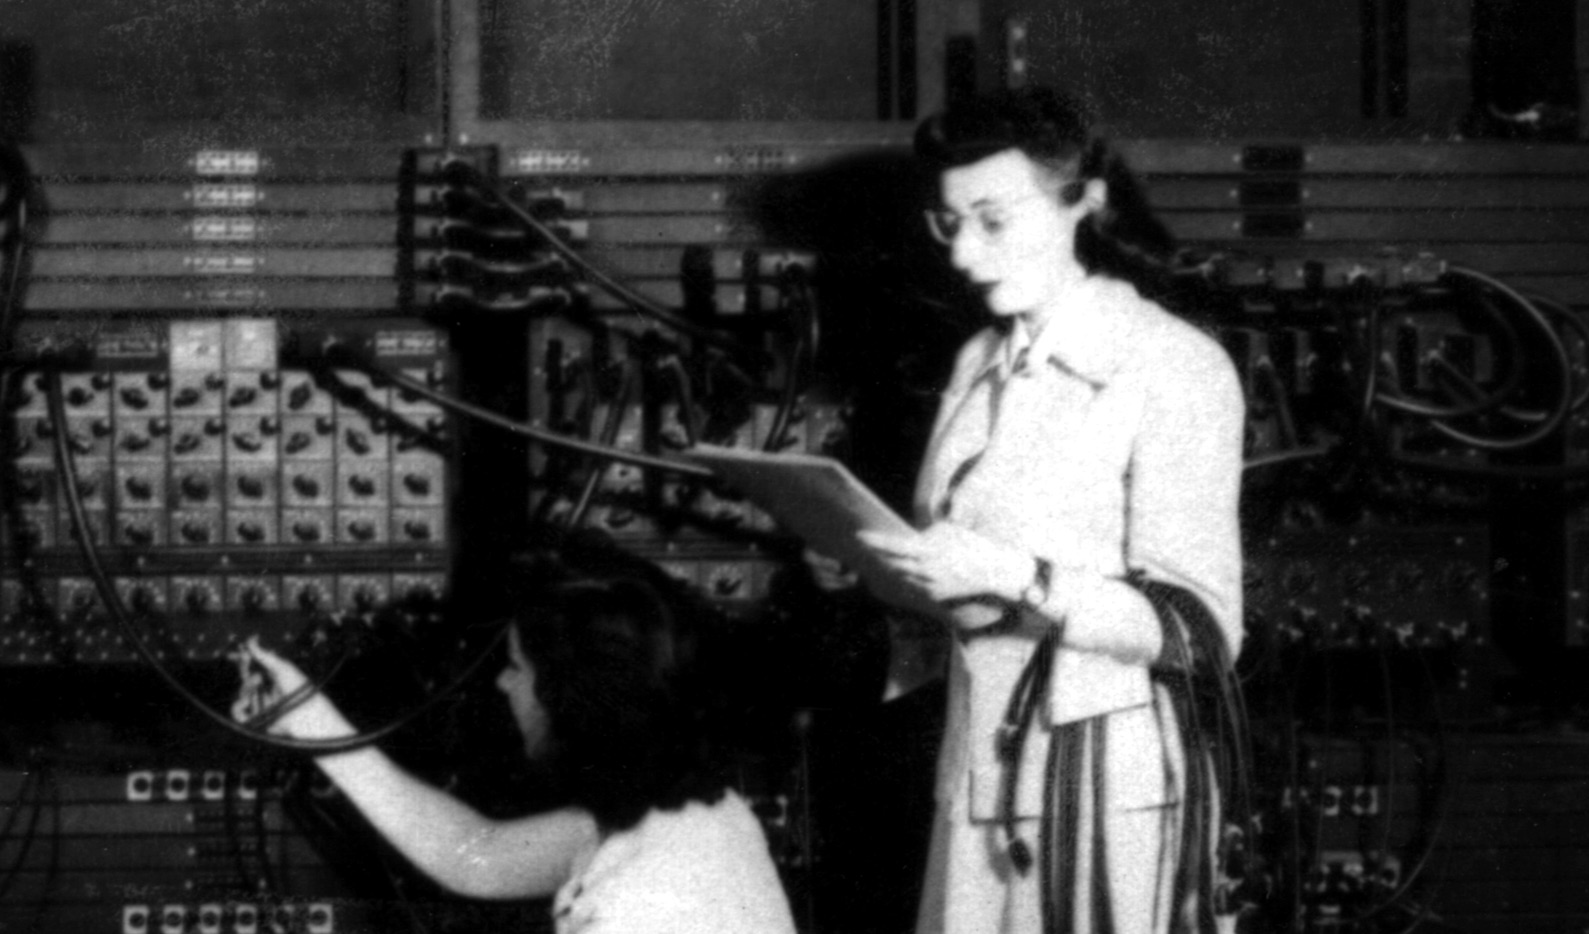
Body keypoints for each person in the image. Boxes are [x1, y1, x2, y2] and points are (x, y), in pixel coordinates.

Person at [850, 86, 1246, 934]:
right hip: (979, 771)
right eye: (948, 224)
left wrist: (1007, 574)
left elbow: (1198, 631)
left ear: (1086, 204)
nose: (964, 254)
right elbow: (959, 575)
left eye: (993, 219)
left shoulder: (1172, 365)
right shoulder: (978, 360)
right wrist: (888, 566)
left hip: (1106, 792)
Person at [234, 546, 795, 934]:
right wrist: (309, 718)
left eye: (516, 667)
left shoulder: (635, 905)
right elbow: (476, 855)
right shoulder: (701, 818)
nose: (503, 683)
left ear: (571, 704)